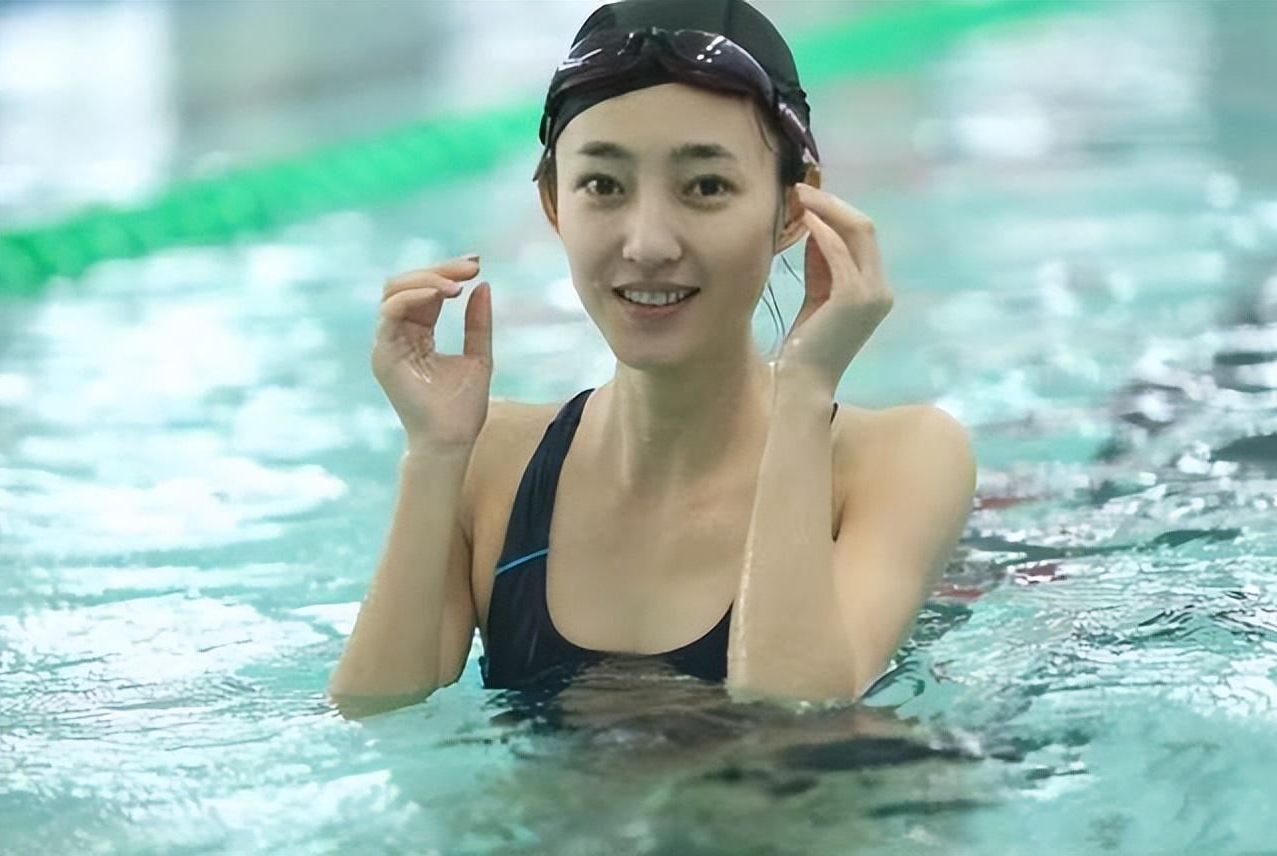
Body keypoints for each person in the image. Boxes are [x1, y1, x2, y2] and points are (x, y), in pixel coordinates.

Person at [328, 0, 977, 719]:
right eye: (603, 185)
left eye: (706, 187)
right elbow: (379, 714)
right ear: (553, 204)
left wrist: (803, 391)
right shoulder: (491, 462)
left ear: (794, 210)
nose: (648, 244)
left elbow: (789, 715)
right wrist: (433, 456)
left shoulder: (897, 460)